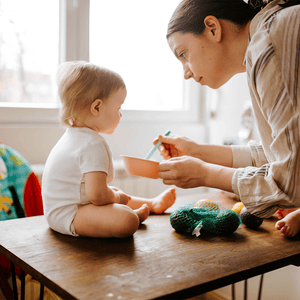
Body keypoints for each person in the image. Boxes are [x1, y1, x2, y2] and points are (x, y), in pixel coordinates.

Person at [154, 0, 300, 237]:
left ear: (213, 28)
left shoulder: (268, 43)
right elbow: (282, 153)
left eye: (183, 54)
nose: (186, 73)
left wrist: (205, 174)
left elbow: (291, 180)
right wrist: (198, 151)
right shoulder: (265, 40)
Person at [42, 61, 176, 238]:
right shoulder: (92, 144)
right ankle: (133, 215)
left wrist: (114, 196)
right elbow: (97, 196)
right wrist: (116, 199)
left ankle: (152, 204)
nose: (121, 114)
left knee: (113, 192)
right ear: (97, 107)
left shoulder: (73, 136)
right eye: (119, 107)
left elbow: (96, 192)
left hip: (57, 213)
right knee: (126, 219)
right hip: (72, 215)